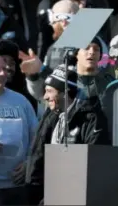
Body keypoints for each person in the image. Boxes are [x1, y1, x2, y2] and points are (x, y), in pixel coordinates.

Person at [0, 53, 38, 206]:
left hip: (17, 185)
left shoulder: (21, 100)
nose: (3, 74)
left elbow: (37, 137)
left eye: (5, 69)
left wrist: (28, 163)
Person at [25, 64, 79, 205]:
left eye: (49, 91)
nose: (45, 97)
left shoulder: (86, 118)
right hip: (44, 193)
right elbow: (38, 154)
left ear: (65, 92)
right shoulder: (50, 116)